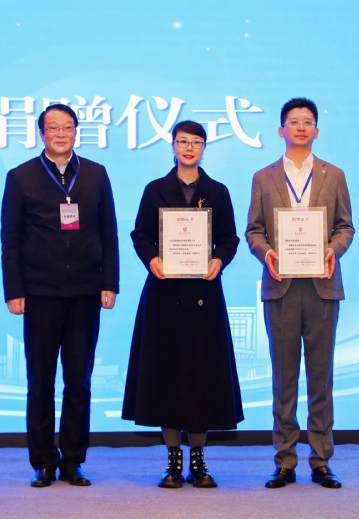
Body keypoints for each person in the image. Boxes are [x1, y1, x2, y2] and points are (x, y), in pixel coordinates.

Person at [0, 103, 119, 488]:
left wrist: (109, 282)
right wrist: (15, 289)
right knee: (41, 380)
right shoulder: (21, 177)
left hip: (85, 290)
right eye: (53, 128)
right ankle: (43, 461)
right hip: (40, 293)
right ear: (42, 134)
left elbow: (109, 232)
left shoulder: (96, 174)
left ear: (76, 131)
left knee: (79, 381)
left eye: (67, 127)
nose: (61, 133)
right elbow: (11, 239)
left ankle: (73, 460)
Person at [122, 120, 244, 489]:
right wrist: (152, 259)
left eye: (196, 142)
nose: (189, 148)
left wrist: (219, 260)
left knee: (202, 375)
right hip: (164, 294)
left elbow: (229, 238)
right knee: (166, 375)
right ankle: (173, 459)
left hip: (204, 294)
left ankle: (198, 458)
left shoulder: (217, 192)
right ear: (173, 146)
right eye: (182, 141)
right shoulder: (155, 189)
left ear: (204, 148)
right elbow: (140, 234)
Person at [245, 97, 354, 489]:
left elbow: (345, 227)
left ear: (317, 130)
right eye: (294, 122)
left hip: (323, 287)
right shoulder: (264, 177)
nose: (301, 127)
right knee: (284, 379)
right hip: (282, 288)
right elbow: (253, 230)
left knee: (321, 379)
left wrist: (333, 250)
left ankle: (321, 460)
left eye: (308, 122)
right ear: (281, 130)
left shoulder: (334, 175)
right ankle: (285, 460)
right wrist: (267, 253)